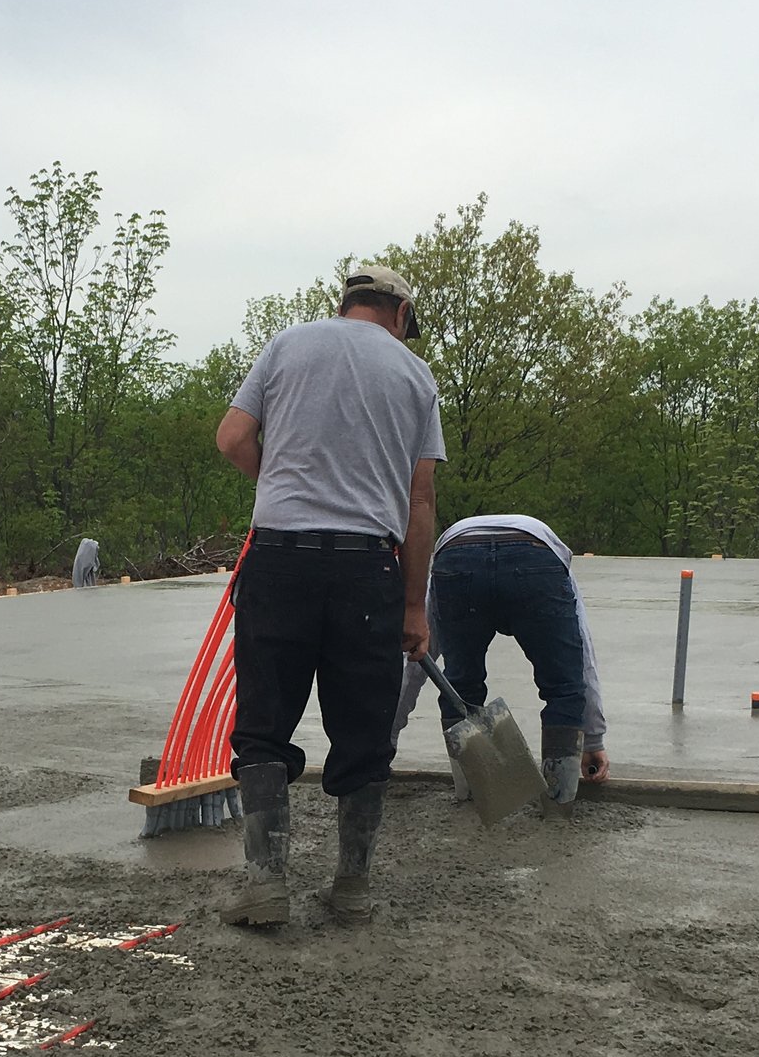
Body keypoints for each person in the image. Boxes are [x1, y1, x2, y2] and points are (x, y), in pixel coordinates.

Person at [213, 264, 442, 927]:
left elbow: (231, 437)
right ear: (399, 314)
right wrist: (414, 605)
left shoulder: (289, 344)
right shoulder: (412, 374)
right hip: (365, 568)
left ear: (344, 304)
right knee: (362, 726)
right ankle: (353, 886)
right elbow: (420, 501)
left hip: (279, 557)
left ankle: (264, 883)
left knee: (263, 721)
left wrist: (281, 476)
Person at [395, 514, 610, 804]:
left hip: (458, 555)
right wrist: (593, 739)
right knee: (563, 687)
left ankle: (470, 797)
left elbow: (417, 655)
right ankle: (559, 805)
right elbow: (582, 659)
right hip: (535, 557)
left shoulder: (445, 572)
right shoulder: (557, 566)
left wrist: (384, 741)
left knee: (460, 686)